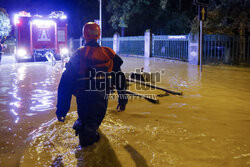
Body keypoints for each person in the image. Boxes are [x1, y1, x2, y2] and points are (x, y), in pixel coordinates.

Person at [56, 22, 128, 147]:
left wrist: (62, 110)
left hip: (84, 98)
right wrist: (122, 100)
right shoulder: (109, 54)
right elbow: (120, 78)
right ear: (98, 35)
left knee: (87, 126)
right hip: (102, 99)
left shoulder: (78, 55)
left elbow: (65, 84)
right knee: (93, 125)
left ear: (84, 35)